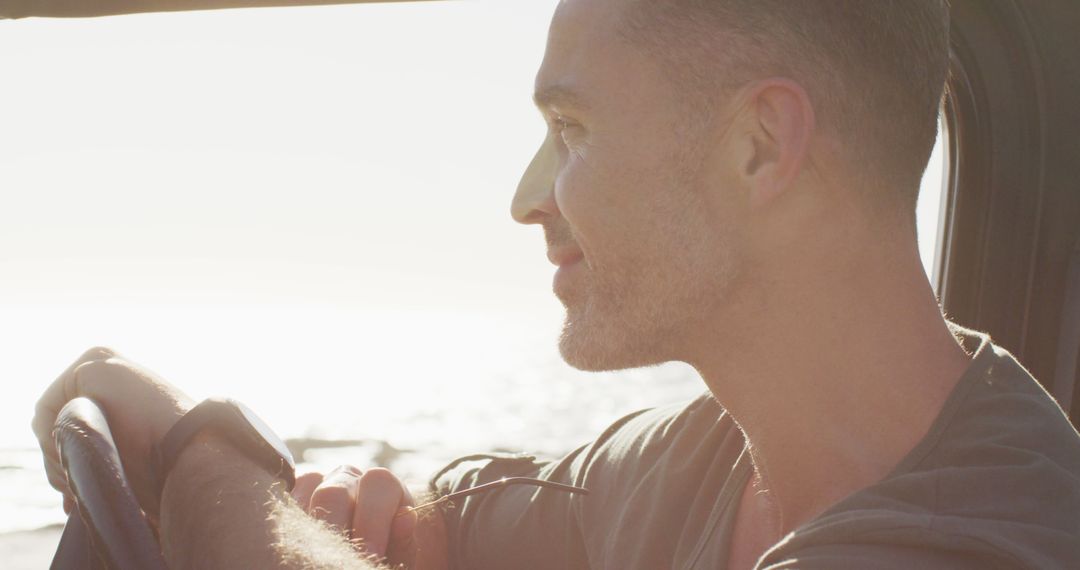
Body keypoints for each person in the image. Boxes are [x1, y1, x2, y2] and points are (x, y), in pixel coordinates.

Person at [32, 0, 1080, 568]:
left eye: (570, 131)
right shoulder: (701, 464)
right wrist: (366, 527)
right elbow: (462, 521)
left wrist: (200, 451)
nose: (528, 198)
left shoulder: (987, 538)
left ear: (760, 147)